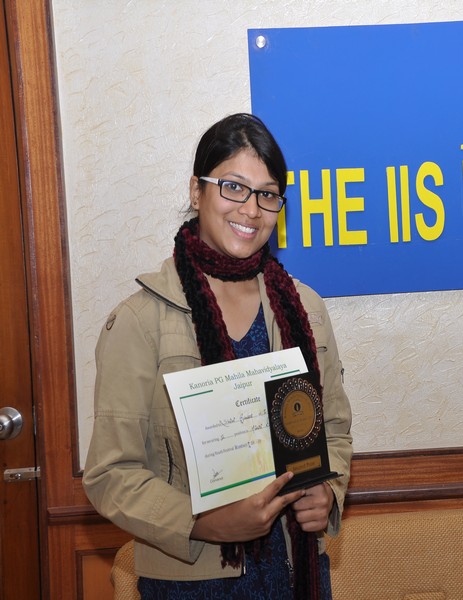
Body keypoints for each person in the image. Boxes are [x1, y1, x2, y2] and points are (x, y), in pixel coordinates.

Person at [83, 113, 353, 599]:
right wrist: (202, 522)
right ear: (196, 191)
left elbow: (332, 428)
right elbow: (111, 474)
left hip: (299, 574)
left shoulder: (305, 308)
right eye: (233, 187)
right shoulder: (141, 320)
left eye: (267, 194)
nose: (251, 209)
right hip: (190, 584)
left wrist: (326, 492)